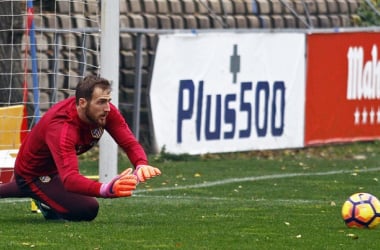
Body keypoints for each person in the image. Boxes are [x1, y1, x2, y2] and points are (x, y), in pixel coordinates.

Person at [0, 75, 161, 221]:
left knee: (63, 193)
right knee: (87, 210)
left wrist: (141, 163)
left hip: (56, 170)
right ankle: (44, 199)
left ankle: (43, 194)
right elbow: (70, 179)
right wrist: (105, 189)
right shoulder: (62, 127)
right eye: (101, 102)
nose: (107, 108)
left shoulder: (104, 112)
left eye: (108, 101)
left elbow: (129, 142)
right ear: (83, 103)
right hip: (33, 175)